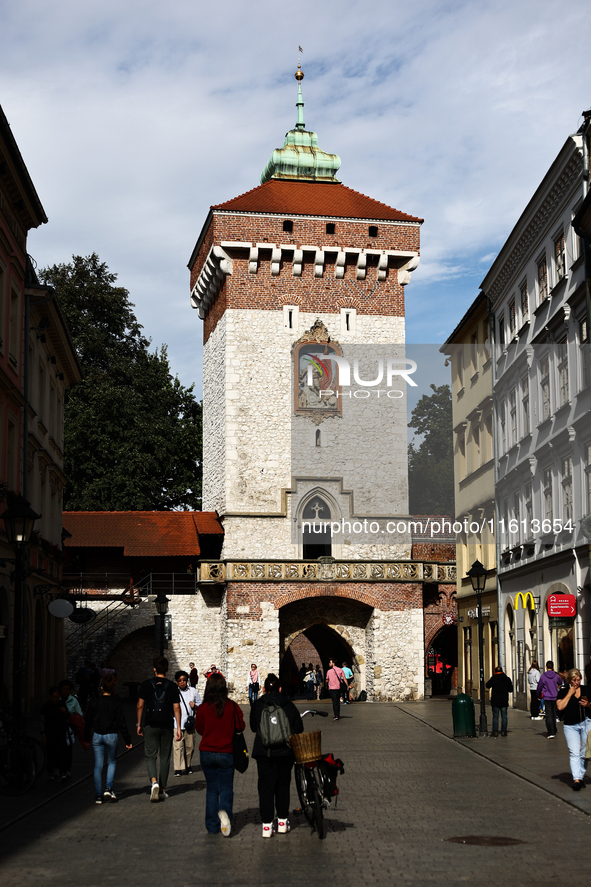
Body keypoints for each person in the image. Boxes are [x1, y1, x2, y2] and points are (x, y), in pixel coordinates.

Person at [250, 673, 303, 838]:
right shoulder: (288, 704)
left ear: (264, 689)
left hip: (264, 753)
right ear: (280, 688)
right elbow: (299, 727)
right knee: (282, 787)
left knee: (265, 788)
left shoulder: (258, 704)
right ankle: (282, 822)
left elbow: (252, 727)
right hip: (285, 753)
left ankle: (267, 825)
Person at [195, 672, 245, 836]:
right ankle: (224, 814)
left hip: (207, 752)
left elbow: (200, 730)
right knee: (225, 789)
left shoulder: (203, 708)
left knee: (211, 789)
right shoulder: (231, 706)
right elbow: (240, 726)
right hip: (226, 752)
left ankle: (211, 825)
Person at [136, 656, 182, 802]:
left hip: (150, 723)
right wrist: (179, 727)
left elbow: (140, 705)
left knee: (150, 755)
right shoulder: (172, 686)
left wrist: (138, 723)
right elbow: (176, 708)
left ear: (154, 669)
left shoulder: (146, 684)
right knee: (165, 757)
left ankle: (154, 782)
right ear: (167, 670)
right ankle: (162, 789)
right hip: (167, 724)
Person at [84, 673, 132, 804]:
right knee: (111, 762)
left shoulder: (94, 702)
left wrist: (86, 736)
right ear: (112, 689)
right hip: (111, 735)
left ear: (101, 688)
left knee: (98, 765)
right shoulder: (116, 703)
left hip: (97, 735)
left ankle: (98, 795)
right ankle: (108, 788)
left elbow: (87, 721)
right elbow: (122, 722)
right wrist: (128, 740)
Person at [556, 668, 591, 790]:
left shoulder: (586, 689)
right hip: (570, 726)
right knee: (574, 752)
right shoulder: (563, 691)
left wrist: (588, 705)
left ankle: (580, 776)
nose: (577, 682)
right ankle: (576, 779)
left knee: (583, 753)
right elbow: (560, 707)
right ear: (570, 680)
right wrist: (570, 693)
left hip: (586, 723)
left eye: (579, 679)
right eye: (574, 680)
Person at [174, 670, 202, 777]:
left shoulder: (192, 691)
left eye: (184, 680)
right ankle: (178, 768)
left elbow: (200, 705)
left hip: (189, 724)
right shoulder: (174, 692)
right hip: (177, 724)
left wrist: (194, 706)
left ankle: (188, 765)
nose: (182, 682)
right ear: (176, 682)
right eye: (180, 680)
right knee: (178, 747)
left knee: (190, 747)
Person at [40, 687, 69, 781]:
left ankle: (62, 771)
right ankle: (51, 771)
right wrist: (43, 733)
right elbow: (42, 722)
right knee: (51, 753)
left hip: (61, 733)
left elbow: (67, 717)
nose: (56, 699)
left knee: (62, 752)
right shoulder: (45, 707)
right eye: (54, 697)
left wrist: (65, 712)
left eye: (57, 697)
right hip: (50, 733)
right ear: (50, 697)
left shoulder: (62, 705)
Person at [59, 679, 86, 774]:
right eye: (63, 689)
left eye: (67, 689)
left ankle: (67, 769)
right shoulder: (56, 700)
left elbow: (80, 714)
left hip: (69, 729)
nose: (65, 691)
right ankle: (58, 768)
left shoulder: (73, 701)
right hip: (57, 728)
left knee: (68, 749)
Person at [537, 660, 563, 739]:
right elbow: (560, 682)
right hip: (555, 696)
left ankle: (550, 731)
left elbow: (539, 687)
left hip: (547, 697)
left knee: (548, 714)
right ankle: (554, 729)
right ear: (553, 667)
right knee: (553, 713)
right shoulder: (556, 676)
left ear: (546, 667)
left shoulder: (543, 676)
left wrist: (538, 695)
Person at [485, 666, 514, 737]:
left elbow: (487, 685)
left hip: (495, 700)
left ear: (495, 671)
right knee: (504, 716)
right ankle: (504, 731)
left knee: (495, 716)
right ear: (502, 671)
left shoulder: (493, 678)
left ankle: (495, 732)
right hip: (504, 700)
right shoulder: (507, 679)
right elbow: (511, 689)